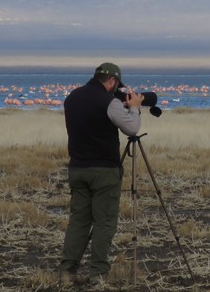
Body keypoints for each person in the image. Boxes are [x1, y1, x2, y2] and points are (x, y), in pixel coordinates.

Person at [59, 62, 143, 285]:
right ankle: (98, 274)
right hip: (104, 171)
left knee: (78, 221)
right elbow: (132, 128)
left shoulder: (72, 98)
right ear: (112, 81)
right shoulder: (109, 102)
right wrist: (134, 106)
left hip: (77, 168)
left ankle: (67, 272)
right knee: (104, 222)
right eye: (117, 86)